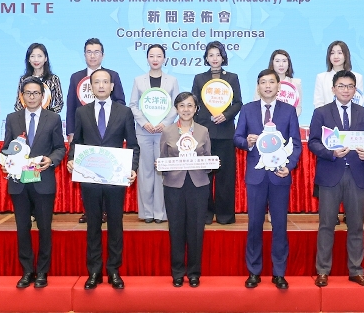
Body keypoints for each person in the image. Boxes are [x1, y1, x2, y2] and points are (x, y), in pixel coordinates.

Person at [69, 69, 140, 290]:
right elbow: (76, 143)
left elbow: (133, 145)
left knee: (115, 225)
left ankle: (114, 271)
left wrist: (133, 168)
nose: (101, 86)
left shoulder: (124, 112)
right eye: (97, 82)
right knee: (93, 225)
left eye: (105, 82)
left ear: (112, 86)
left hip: (115, 178)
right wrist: (71, 159)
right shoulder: (82, 112)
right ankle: (94, 272)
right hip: (90, 178)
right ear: (91, 87)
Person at [308, 70, 364, 288]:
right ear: (333, 89)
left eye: (349, 86)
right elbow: (313, 142)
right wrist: (331, 153)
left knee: (356, 225)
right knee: (326, 225)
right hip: (330, 174)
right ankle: (322, 270)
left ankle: (356, 270)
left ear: (355, 90)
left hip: (356, 175)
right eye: (341, 86)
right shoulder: (321, 112)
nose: (345, 90)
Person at [235, 69, 302, 290]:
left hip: (279, 175)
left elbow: (296, 144)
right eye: (263, 82)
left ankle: (279, 273)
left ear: (278, 86)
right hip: (256, 176)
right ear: (258, 86)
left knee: (280, 225)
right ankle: (254, 271)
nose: (267, 86)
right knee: (254, 224)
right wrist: (247, 142)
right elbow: (237, 137)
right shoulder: (247, 109)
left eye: (271, 82)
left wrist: (288, 166)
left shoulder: (288, 111)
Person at [3, 77, 66, 289]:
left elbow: (60, 148)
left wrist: (51, 160)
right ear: (22, 96)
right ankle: (27, 270)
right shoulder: (12, 118)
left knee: (44, 228)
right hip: (19, 181)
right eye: (28, 93)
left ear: (42, 96)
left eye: (36, 93)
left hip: (42, 180)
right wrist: (6, 161)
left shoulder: (53, 118)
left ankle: (42, 271)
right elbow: (6, 148)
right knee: (23, 228)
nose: (32, 97)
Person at [65, 38, 126, 224]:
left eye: (96, 52)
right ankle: (90, 211)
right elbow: (71, 106)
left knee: (108, 173)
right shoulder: (76, 77)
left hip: (107, 131)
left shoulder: (113, 75)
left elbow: (120, 101)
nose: (93, 55)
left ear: (103, 55)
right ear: (84, 55)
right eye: (89, 52)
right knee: (88, 173)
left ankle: (107, 211)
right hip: (85, 132)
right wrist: (71, 132)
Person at [160, 92, 215, 287]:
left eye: (190, 105)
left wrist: (210, 163)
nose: (186, 109)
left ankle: (194, 273)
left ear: (196, 108)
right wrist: (163, 165)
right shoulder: (167, 132)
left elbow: (207, 158)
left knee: (196, 230)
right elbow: (163, 159)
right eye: (182, 106)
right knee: (175, 229)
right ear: (176, 109)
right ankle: (177, 273)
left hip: (198, 185)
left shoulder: (203, 131)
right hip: (174, 185)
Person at [191, 41, 243, 225]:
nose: (214, 58)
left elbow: (238, 103)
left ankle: (225, 215)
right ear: (206, 58)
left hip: (225, 133)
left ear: (223, 57)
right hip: (204, 133)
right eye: (211, 55)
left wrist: (226, 115)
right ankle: (205, 214)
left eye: (218, 55)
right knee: (204, 176)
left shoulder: (232, 78)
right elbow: (194, 105)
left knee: (225, 177)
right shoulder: (199, 78)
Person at [129, 44, 179, 223]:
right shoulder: (138, 80)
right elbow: (133, 105)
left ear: (164, 58)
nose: (155, 59)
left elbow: (176, 105)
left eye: (159, 56)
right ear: (147, 59)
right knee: (145, 172)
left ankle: (160, 213)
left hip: (164, 132)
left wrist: (164, 123)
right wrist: (145, 123)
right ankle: (147, 213)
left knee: (161, 171)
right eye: (152, 56)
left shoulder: (172, 81)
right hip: (144, 132)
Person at [12, 42, 64, 115]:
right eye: (32, 56)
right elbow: (18, 104)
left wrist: (46, 115)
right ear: (28, 59)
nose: (36, 60)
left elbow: (59, 103)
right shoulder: (23, 79)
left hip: (48, 119)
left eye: (39, 56)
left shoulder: (53, 79)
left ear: (45, 58)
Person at [314, 40, 364, 109]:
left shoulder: (357, 77)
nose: (336, 56)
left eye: (340, 53)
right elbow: (318, 103)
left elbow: (359, 102)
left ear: (346, 55)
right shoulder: (321, 77)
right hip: (326, 115)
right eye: (332, 53)